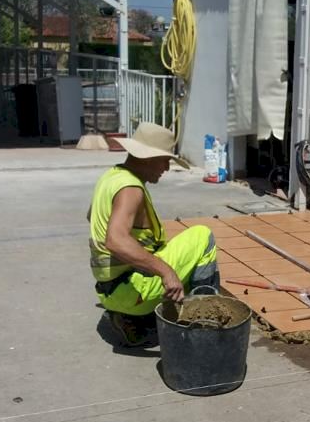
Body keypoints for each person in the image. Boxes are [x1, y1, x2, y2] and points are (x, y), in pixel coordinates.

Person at [89, 122, 219, 346]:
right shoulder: (130, 189)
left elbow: (92, 216)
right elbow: (115, 240)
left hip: (108, 291)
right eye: (165, 160)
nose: (167, 168)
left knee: (166, 251)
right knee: (202, 237)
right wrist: (166, 272)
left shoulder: (111, 177)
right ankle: (203, 321)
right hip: (131, 292)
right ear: (147, 158)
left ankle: (133, 320)